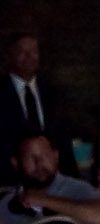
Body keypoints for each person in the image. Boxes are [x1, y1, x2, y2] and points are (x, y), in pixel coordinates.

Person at [1, 133, 100, 224]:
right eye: (30, 157)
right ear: (16, 163)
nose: (39, 162)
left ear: (55, 156)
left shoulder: (76, 188)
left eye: (45, 155)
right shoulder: (7, 201)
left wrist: (43, 200)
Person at [2, 32, 64, 183]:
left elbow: (62, 136)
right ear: (10, 55)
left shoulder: (51, 92)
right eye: (23, 51)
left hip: (50, 179)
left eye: (34, 51)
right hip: (8, 179)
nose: (29, 56)